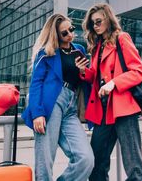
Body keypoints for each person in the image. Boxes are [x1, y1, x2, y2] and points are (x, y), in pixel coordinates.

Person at [77, 3, 142, 181]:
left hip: (124, 109)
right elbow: (95, 76)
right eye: (93, 23)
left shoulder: (122, 38)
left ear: (108, 19)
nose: (96, 26)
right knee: (96, 163)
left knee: (133, 166)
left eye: (99, 21)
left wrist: (114, 83)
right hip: (103, 112)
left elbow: (138, 71)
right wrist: (83, 71)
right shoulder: (96, 46)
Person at [22, 14, 94, 181]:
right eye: (64, 32)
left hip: (71, 106)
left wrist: (83, 71)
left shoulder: (79, 50)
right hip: (51, 104)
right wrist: (38, 113)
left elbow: (88, 79)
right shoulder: (46, 53)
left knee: (86, 159)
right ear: (56, 34)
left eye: (71, 29)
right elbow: (36, 84)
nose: (70, 34)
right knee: (45, 158)